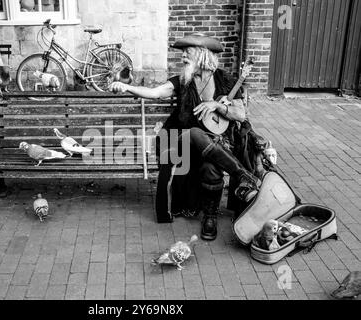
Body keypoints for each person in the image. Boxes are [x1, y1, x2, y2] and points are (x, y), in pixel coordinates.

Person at [109, 33, 261, 241]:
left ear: (202, 55)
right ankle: (242, 174)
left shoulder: (225, 81)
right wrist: (126, 87)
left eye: (188, 52)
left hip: (213, 145)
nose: (183, 56)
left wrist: (216, 105)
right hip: (182, 141)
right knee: (195, 133)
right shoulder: (182, 81)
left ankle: (210, 217)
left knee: (212, 167)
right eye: (182, 52)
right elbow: (155, 92)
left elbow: (240, 115)